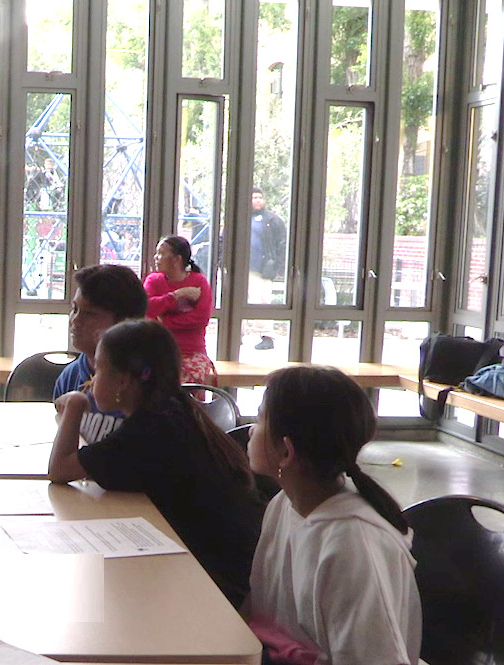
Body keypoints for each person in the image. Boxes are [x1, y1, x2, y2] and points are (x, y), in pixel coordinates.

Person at [47, 320, 263, 608]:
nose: (92, 378)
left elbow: (60, 470)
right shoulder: (172, 409)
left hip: (216, 587)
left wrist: (74, 406)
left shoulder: (149, 430)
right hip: (227, 567)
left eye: (98, 369)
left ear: (123, 381)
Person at [243, 365, 420, 664]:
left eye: (260, 418)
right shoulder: (284, 505)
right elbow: (257, 613)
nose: (251, 428)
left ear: (286, 453)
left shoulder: (352, 543)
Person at [52, 264, 147, 444]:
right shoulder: (70, 377)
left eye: (89, 314)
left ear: (123, 323)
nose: (75, 320)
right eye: (74, 309)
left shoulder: (141, 384)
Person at [144, 235, 215, 385]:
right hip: (158, 351)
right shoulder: (153, 280)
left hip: (192, 352)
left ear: (177, 259)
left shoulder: (199, 281)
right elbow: (147, 307)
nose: (156, 258)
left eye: (161, 253)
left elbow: (201, 319)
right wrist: (176, 296)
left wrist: (162, 321)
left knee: (185, 383)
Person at [248, 186, 288, 305]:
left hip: (265, 269)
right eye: (254, 197)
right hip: (245, 269)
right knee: (250, 300)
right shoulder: (239, 218)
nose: (258, 200)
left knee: (264, 301)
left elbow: (283, 243)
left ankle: (262, 324)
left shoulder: (273, 220)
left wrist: (278, 265)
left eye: (260, 197)